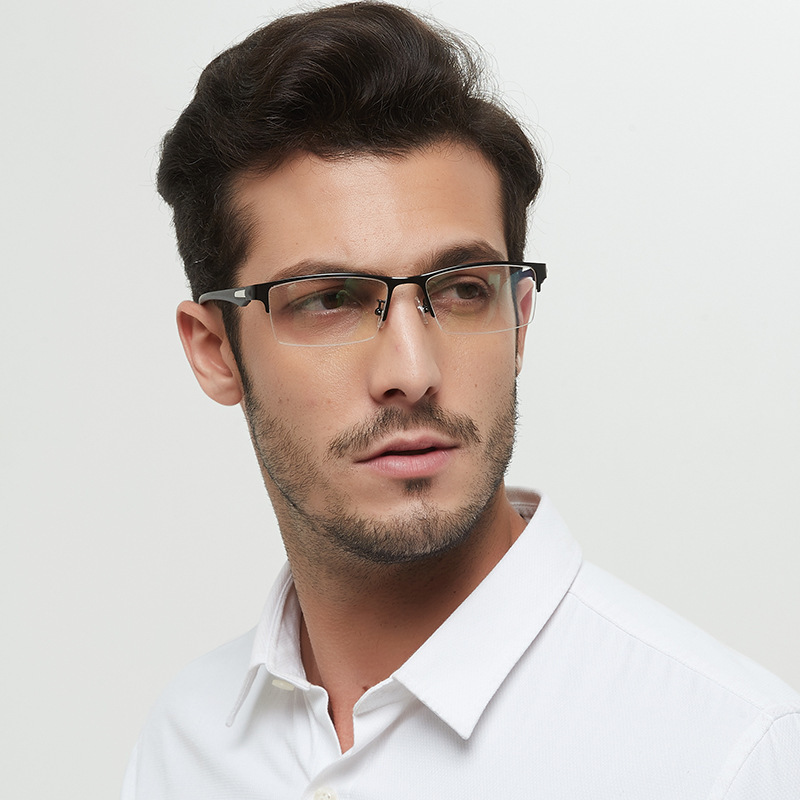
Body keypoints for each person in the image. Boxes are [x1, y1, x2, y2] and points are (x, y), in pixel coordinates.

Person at [123, 3, 800, 797]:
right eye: (330, 299)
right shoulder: (184, 744)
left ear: (519, 319)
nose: (411, 371)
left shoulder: (724, 758)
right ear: (214, 351)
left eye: (462, 289)